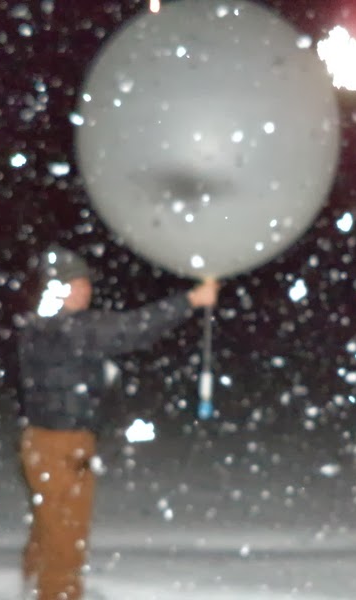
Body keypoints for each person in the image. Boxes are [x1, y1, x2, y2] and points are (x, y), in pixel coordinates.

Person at [16, 244, 220, 600]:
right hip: (59, 445)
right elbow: (131, 329)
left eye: (85, 284)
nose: (84, 291)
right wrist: (190, 300)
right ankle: (56, 593)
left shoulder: (45, 326)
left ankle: (32, 582)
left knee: (51, 524)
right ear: (54, 290)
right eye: (73, 285)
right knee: (66, 533)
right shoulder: (63, 328)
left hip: (54, 443)